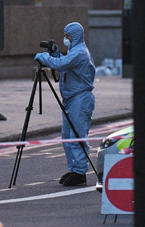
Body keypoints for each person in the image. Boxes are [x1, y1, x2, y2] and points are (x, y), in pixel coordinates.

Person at [34, 22, 96, 186]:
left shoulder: (79, 52)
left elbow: (61, 65)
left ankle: (80, 172)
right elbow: (65, 63)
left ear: (75, 36)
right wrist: (56, 55)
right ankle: (74, 169)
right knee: (67, 137)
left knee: (77, 137)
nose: (65, 38)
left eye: (68, 36)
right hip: (71, 99)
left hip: (80, 99)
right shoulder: (74, 51)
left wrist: (45, 57)